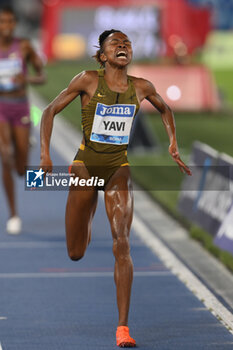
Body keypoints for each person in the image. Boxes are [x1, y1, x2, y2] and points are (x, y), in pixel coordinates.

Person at [40, 29, 191, 348]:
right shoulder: (87, 81)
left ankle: (123, 328)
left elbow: (166, 109)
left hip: (117, 171)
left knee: (122, 243)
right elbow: (49, 110)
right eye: (115, 43)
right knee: (76, 252)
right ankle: (90, 209)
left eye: (127, 43)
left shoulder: (142, 87)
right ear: (103, 55)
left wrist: (173, 144)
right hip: (85, 167)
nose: (123, 46)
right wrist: (44, 153)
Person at [0, 5, 46, 234]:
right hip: (0, 107)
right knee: (5, 155)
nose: (6, 27)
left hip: (21, 107)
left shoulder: (24, 47)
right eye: (2, 22)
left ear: (15, 24)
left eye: (10, 22)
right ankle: (14, 214)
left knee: (22, 170)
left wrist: (25, 77)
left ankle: (27, 144)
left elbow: (42, 76)